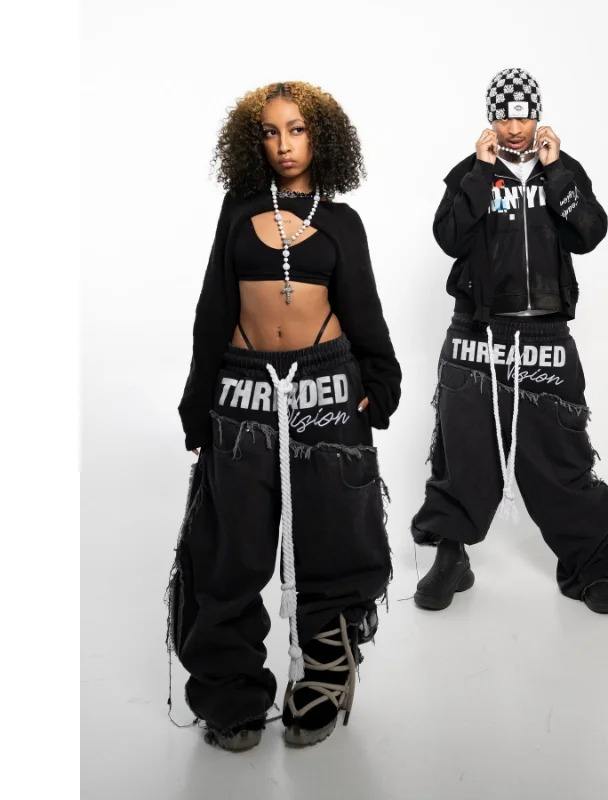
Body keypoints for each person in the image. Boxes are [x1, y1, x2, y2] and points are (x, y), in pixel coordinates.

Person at [164, 81, 401, 752]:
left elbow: (364, 307)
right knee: (229, 551)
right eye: (270, 132)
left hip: (327, 391)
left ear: (320, 138)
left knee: (335, 544)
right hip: (243, 393)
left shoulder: (342, 221)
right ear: (254, 142)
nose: (284, 144)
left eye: (296, 130)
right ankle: (232, 695)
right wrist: (198, 397)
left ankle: (322, 685)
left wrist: (379, 382)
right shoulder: (238, 211)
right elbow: (214, 307)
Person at [411, 67, 608, 616]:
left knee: (560, 454)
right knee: (463, 449)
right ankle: (451, 557)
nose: (514, 127)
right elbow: (449, 238)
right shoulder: (470, 173)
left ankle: (593, 566)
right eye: (504, 116)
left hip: (545, 333)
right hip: (477, 333)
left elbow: (590, 233)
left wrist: (556, 173)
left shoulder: (563, 169)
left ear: (537, 115)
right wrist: (481, 173)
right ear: (491, 118)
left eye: (523, 116)